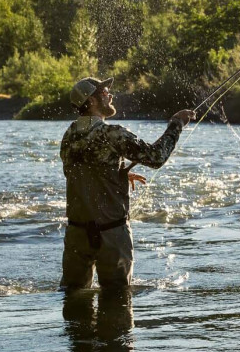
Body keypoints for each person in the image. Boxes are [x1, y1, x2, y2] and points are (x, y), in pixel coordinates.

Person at [59, 76, 195, 290]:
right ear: (92, 101)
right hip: (111, 235)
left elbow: (78, 172)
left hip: (76, 235)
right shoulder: (112, 133)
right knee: (118, 306)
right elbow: (156, 157)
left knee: (74, 301)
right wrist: (176, 124)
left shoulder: (69, 135)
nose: (110, 96)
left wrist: (116, 175)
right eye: (104, 93)